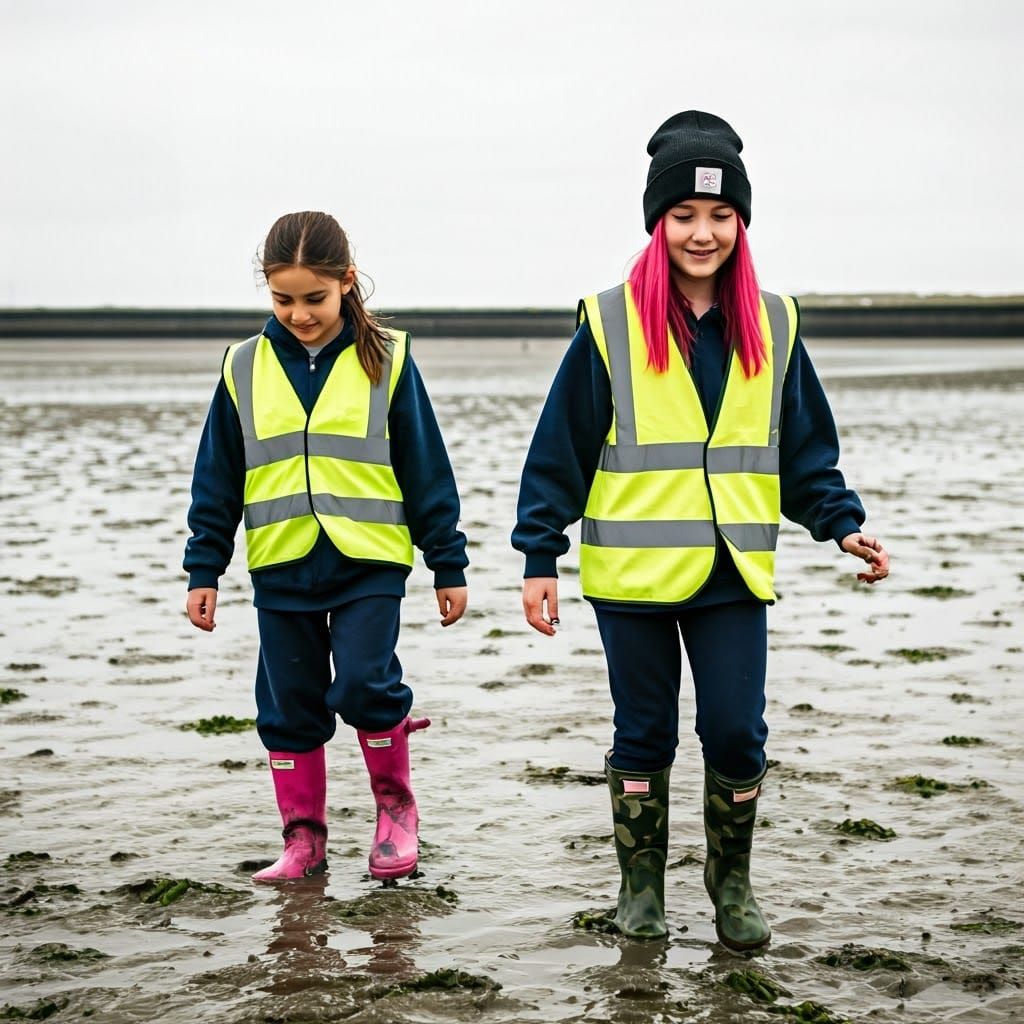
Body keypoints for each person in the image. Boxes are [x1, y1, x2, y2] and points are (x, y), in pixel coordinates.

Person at [512, 112, 889, 948]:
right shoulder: (609, 322)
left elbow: (804, 450)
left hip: (733, 576)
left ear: (741, 222)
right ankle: (641, 884)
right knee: (642, 733)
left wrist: (841, 524)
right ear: (658, 221)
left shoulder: (777, 322)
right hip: (633, 578)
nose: (702, 231)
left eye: (720, 215)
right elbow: (560, 451)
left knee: (733, 729)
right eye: (683, 214)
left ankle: (731, 878)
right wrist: (540, 551)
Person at [184, 211, 468, 884]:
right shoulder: (242, 366)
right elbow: (217, 477)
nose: (299, 313)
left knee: (367, 683)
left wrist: (447, 562)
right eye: (283, 299)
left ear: (346, 283)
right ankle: (304, 841)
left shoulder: (389, 360)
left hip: (369, 561)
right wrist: (205, 568)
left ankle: (396, 815)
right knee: (289, 706)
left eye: (314, 298)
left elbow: (426, 469)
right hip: (282, 566)